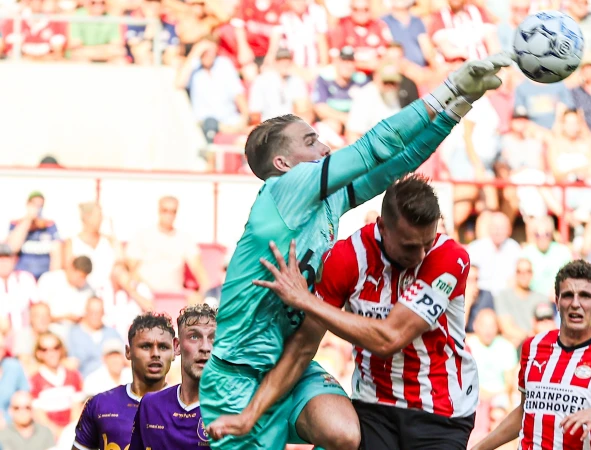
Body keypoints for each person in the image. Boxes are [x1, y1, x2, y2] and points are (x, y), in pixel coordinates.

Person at [200, 52, 514, 450]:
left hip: (290, 368)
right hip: (238, 376)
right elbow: (373, 147)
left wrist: (457, 108)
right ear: (283, 163)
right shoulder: (284, 187)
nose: (325, 145)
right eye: (310, 141)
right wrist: (448, 88)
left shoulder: (325, 201)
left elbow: (396, 163)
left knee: (345, 435)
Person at [215, 177, 478, 449]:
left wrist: (306, 300)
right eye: (410, 246)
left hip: (443, 410)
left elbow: (390, 338)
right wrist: (250, 415)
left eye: (428, 241)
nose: (422, 254)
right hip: (376, 406)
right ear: (382, 227)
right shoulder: (347, 257)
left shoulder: (448, 256)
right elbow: (303, 348)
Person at [472, 260, 591, 450]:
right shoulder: (533, 346)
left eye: (585, 296)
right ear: (558, 302)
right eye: (568, 295)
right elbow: (525, 412)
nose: (576, 304)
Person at [72, 312, 176, 450]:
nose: (155, 354)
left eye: (163, 347)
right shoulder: (99, 405)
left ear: (174, 352)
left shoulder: (194, 412)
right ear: (128, 352)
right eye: (146, 346)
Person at [130, 304, 216, 449]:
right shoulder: (150, 405)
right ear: (176, 346)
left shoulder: (236, 409)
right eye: (194, 336)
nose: (205, 347)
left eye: (213, 338)